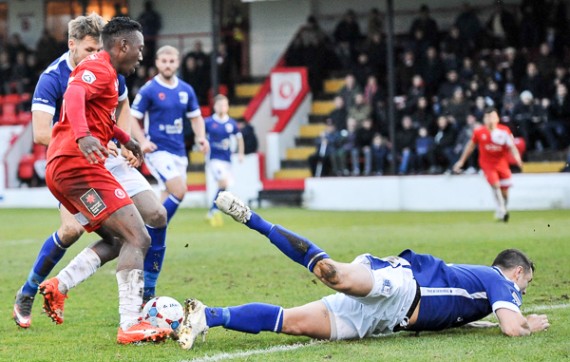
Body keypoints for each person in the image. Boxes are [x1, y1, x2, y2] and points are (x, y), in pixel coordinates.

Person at [176, 191, 549, 350]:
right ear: (516, 273)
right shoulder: (500, 280)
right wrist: (528, 323)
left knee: (295, 324)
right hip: (403, 285)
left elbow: (457, 312)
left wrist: (477, 323)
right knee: (331, 273)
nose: (524, 294)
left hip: (389, 319)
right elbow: (512, 329)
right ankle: (253, 218)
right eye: (526, 284)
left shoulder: (481, 294)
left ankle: (208, 316)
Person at [13, 14, 168, 330]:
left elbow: (112, 113)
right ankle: (30, 291)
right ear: (72, 46)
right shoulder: (62, 75)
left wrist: (124, 140)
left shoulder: (112, 72)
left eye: (98, 47)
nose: (94, 52)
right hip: (76, 161)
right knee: (112, 234)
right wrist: (84, 136)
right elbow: (48, 126)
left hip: (97, 158)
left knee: (142, 225)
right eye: (89, 48)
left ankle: (63, 286)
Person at [131, 45, 209, 224]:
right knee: (179, 190)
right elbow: (132, 118)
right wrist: (142, 141)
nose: (168, 65)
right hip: (158, 150)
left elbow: (196, 118)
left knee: (165, 198)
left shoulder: (186, 90)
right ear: (157, 63)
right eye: (164, 61)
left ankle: (144, 233)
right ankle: (153, 231)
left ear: (178, 63)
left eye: (171, 61)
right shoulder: (149, 89)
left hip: (179, 151)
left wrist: (201, 137)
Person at [453, 107, 523, 222]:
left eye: (492, 117)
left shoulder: (505, 131)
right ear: (484, 119)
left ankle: (501, 208)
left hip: (502, 164)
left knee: (505, 192)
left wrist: (517, 158)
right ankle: (502, 211)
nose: (490, 119)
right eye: (487, 117)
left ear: (497, 118)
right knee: (495, 185)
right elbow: (470, 146)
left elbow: (512, 146)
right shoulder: (479, 132)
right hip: (487, 164)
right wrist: (461, 161)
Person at [204, 94, 244, 226]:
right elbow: (201, 137)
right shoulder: (209, 122)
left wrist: (240, 153)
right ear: (215, 106)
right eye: (219, 105)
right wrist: (201, 145)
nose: (222, 107)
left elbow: (239, 138)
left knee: (225, 186)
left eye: (224, 105)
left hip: (227, 160)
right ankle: (215, 210)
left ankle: (212, 210)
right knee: (223, 183)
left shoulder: (231, 123)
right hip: (214, 159)